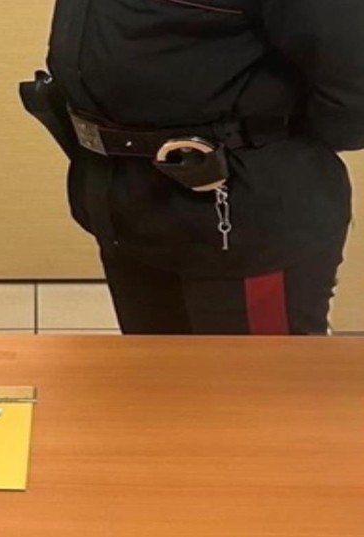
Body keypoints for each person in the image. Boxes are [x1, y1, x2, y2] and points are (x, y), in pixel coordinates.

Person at [27, 0, 364, 335]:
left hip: (245, 213)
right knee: (156, 365)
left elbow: (352, 86)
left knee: (256, 370)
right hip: (125, 202)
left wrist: (267, 145)